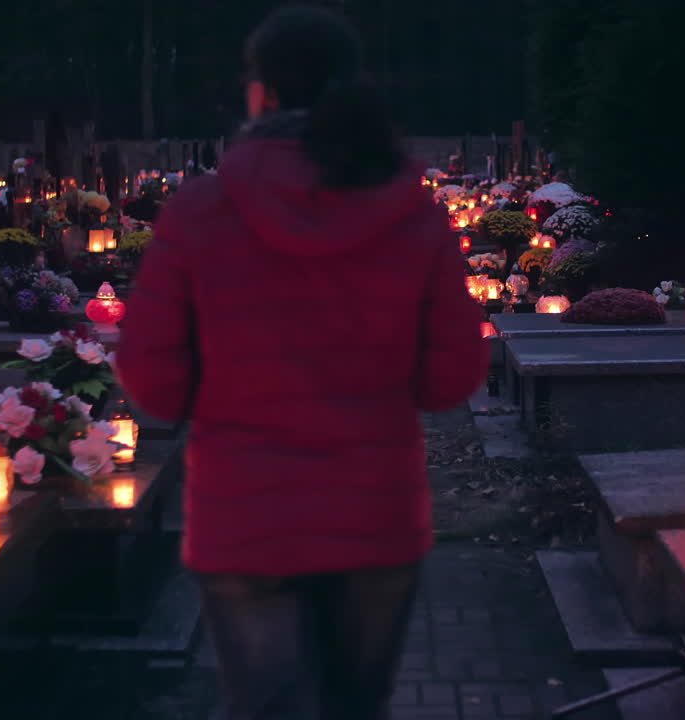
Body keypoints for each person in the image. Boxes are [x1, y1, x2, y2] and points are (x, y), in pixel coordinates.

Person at [116, 5, 488, 719]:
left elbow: (154, 381)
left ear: (262, 94)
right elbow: (452, 378)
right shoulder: (413, 214)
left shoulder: (200, 211)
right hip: (374, 516)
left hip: (245, 520)